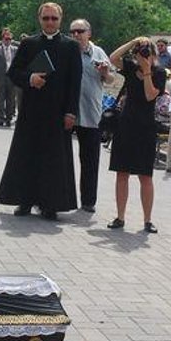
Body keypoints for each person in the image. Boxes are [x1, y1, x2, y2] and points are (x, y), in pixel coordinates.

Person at [0, 2, 82, 221]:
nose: (50, 22)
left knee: (54, 159)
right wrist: (29, 79)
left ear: (61, 20)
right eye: (46, 18)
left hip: (58, 111)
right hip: (31, 111)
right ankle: (25, 200)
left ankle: (50, 204)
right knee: (27, 155)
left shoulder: (71, 47)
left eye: (54, 18)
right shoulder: (28, 43)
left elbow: (75, 83)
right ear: (39, 19)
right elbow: (13, 73)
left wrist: (71, 112)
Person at [104, 36, 165, 233]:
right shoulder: (130, 66)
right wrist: (132, 43)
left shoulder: (159, 72)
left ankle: (147, 220)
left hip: (145, 127)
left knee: (145, 175)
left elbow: (150, 95)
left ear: (154, 54)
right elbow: (112, 58)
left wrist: (147, 71)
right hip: (126, 124)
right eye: (140, 51)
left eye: (147, 51)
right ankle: (120, 217)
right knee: (122, 173)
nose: (143, 55)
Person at [69, 18, 113, 212]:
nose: (76, 35)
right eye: (73, 32)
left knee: (90, 160)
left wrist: (104, 72)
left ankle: (88, 201)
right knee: (61, 158)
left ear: (89, 33)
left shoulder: (99, 52)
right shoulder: (67, 51)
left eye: (80, 31)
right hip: (67, 112)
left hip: (90, 113)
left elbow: (111, 79)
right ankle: (59, 199)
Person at [0, 28, 18, 127]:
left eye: (10, 39)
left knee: (11, 100)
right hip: (0, 77)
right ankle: (0, 119)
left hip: (11, 78)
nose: (8, 41)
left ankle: (9, 119)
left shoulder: (15, 50)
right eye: (6, 39)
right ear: (2, 39)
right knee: (0, 99)